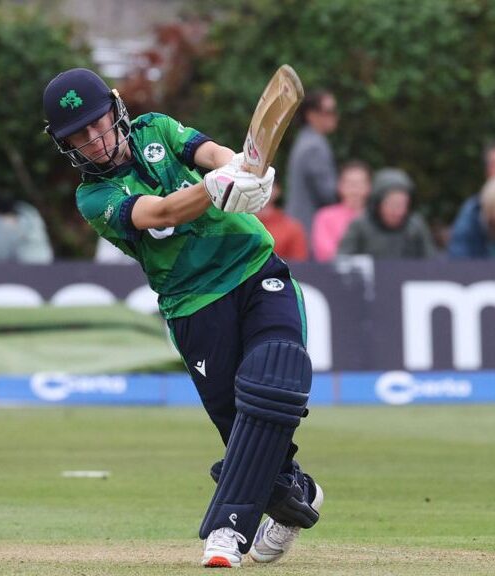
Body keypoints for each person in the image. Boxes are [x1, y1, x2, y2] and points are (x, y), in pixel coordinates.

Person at [43, 68, 322, 568]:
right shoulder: (93, 198)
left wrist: (242, 167)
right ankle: (296, 491)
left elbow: (209, 153)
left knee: (274, 377)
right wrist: (219, 186)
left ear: (115, 108)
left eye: (97, 123)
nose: (94, 139)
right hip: (193, 304)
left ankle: (226, 532)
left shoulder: (155, 128)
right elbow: (165, 213)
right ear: (66, 146)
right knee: (240, 422)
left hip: (255, 269)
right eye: (78, 136)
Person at [337, 168, 436, 259]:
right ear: (378, 203)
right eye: (392, 204)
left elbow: (431, 262)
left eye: (402, 204)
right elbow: (343, 261)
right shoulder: (360, 226)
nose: (397, 210)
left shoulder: (415, 226)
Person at [285, 90, 339, 239]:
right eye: (329, 111)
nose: (335, 116)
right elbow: (327, 194)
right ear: (311, 115)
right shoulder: (315, 146)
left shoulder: (305, 139)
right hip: (309, 227)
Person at [311, 161, 371, 262]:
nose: (355, 189)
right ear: (340, 186)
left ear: (369, 187)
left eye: (360, 183)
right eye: (350, 183)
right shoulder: (325, 216)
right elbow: (324, 253)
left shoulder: (376, 217)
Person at [255, 182, 308, 261]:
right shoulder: (233, 221)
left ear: (277, 190)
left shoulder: (292, 228)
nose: (259, 190)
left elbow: (299, 265)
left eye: (265, 184)